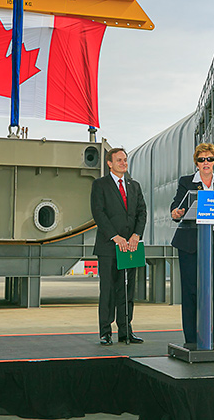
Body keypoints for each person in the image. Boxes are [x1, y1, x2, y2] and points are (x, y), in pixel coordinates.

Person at [170, 143, 214, 345]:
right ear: (196, 162)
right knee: (191, 290)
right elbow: (176, 206)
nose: (206, 163)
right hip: (190, 242)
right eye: (202, 159)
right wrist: (176, 212)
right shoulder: (186, 181)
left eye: (210, 159)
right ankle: (192, 338)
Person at [90, 147, 148, 345]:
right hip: (109, 247)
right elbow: (98, 213)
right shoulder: (100, 185)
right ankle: (105, 332)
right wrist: (115, 237)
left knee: (127, 290)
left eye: (125, 160)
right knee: (107, 290)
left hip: (131, 247)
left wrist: (136, 235)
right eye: (119, 160)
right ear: (109, 163)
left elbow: (142, 212)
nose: (124, 163)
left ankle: (125, 331)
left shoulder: (134, 185)